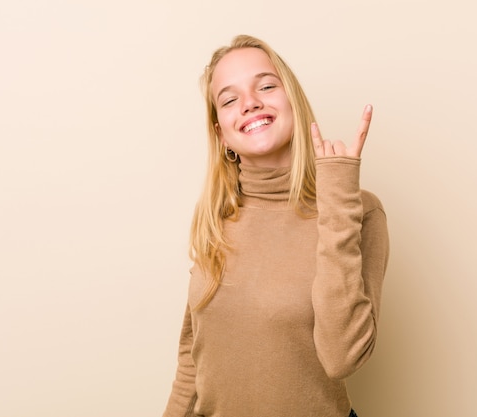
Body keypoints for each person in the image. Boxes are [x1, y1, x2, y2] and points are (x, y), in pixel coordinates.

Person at [162, 34, 389, 417]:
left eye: (266, 86)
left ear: (293, 104)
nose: (250, 103)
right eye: (229, 99)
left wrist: (336, 197)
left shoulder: (359, 210)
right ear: (222, 133)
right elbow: (194, 355)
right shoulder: (216, 215)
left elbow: (341, 357)